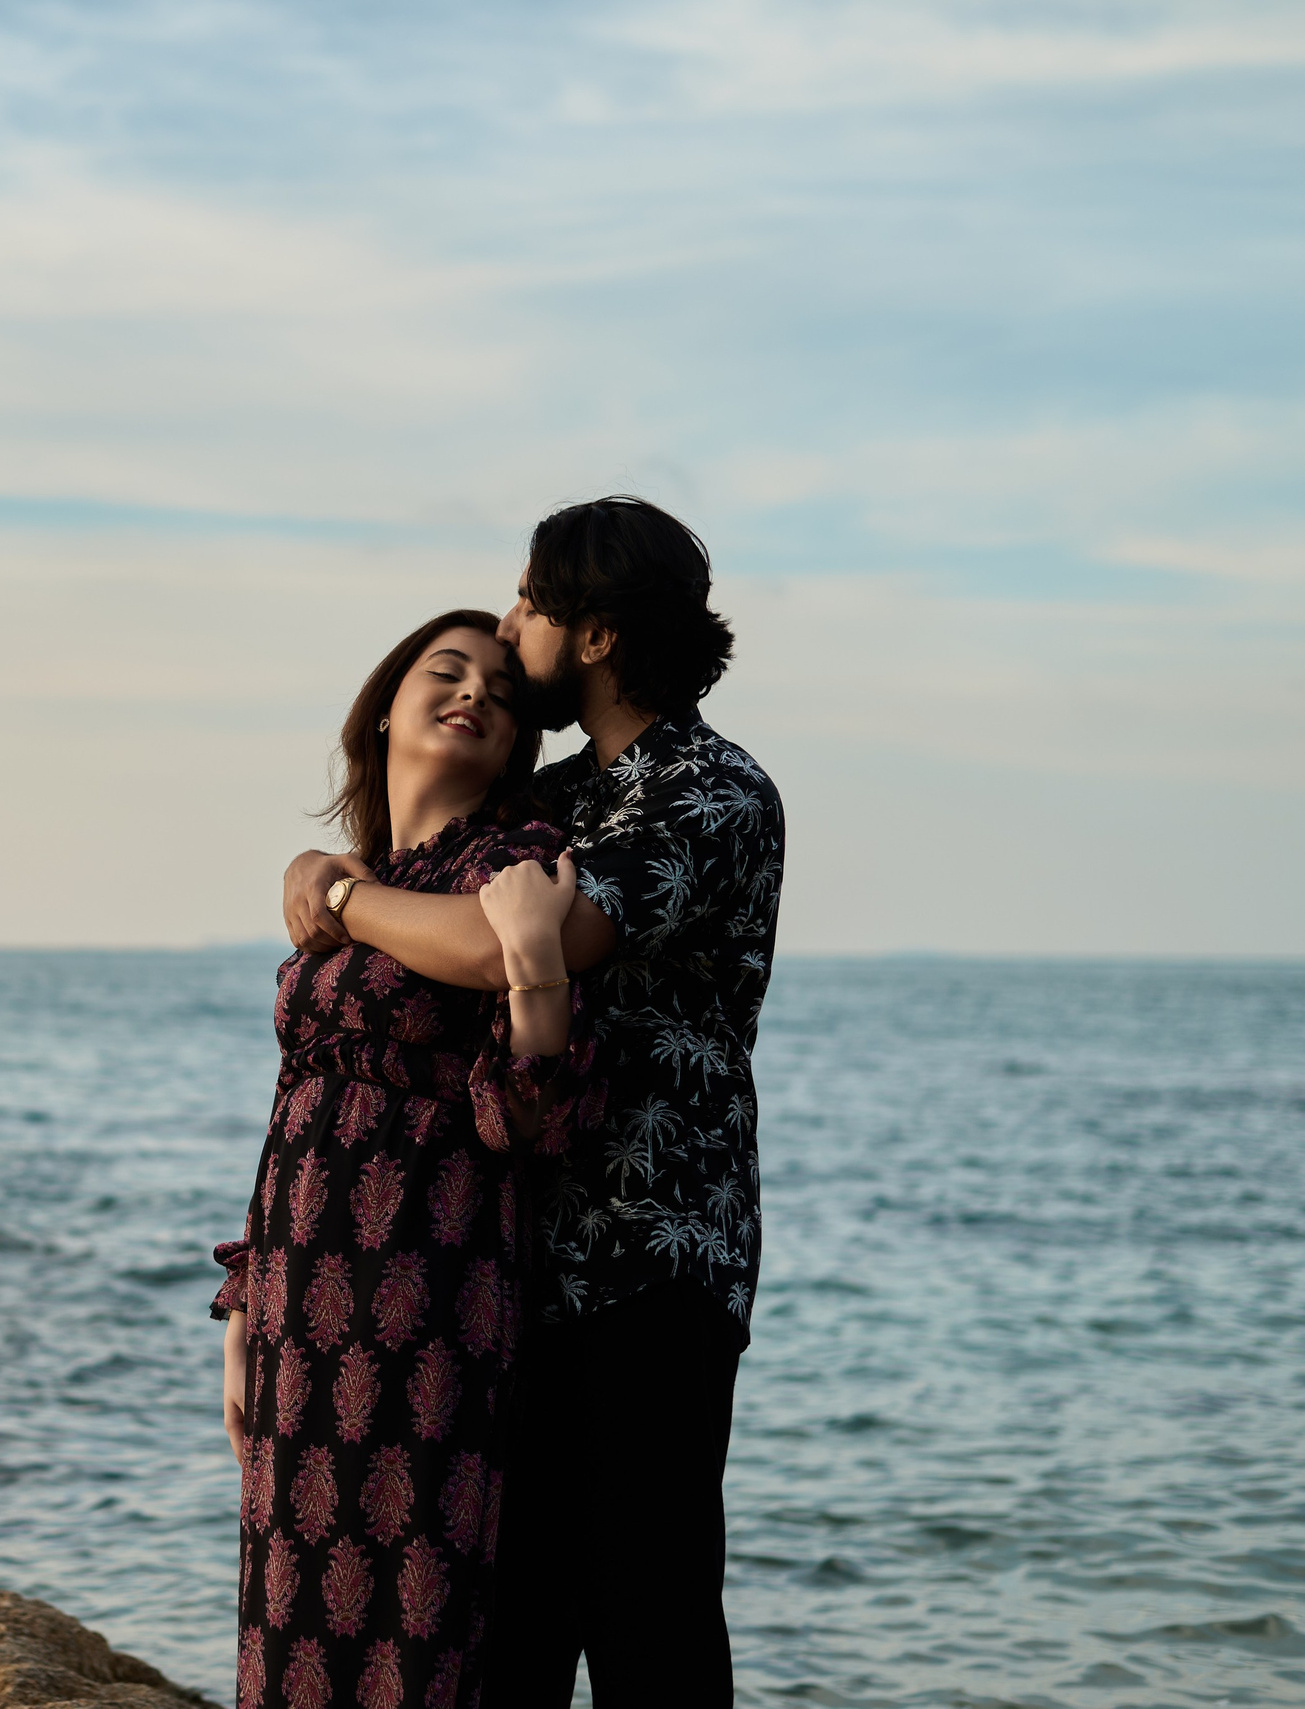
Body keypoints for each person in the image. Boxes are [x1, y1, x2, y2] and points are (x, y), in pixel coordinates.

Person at [280, 497, 785, 1707]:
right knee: (508, 1629)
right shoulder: (559, 790)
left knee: (647, 1614)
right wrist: (325, 860)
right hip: (506, 1262)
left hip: (651, 1262)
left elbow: (493, 937)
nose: (510, 627)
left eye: (526, 601)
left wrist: (336, 900)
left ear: (597, 632)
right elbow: (446, 873)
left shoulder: (711, 791)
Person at [214, 610, 585, 1709]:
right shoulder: (356, 875)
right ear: (385, 705)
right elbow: (294, 1101)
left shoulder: (511, 863)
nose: (474, 692)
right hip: (301, 1292)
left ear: (517, 743)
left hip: (432, 1281)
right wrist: (243, 1300)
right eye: (446, 669)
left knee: (417, 1613)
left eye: (502, 692)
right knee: (291, 1610)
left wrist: (535, 985)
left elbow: (537, 1113)